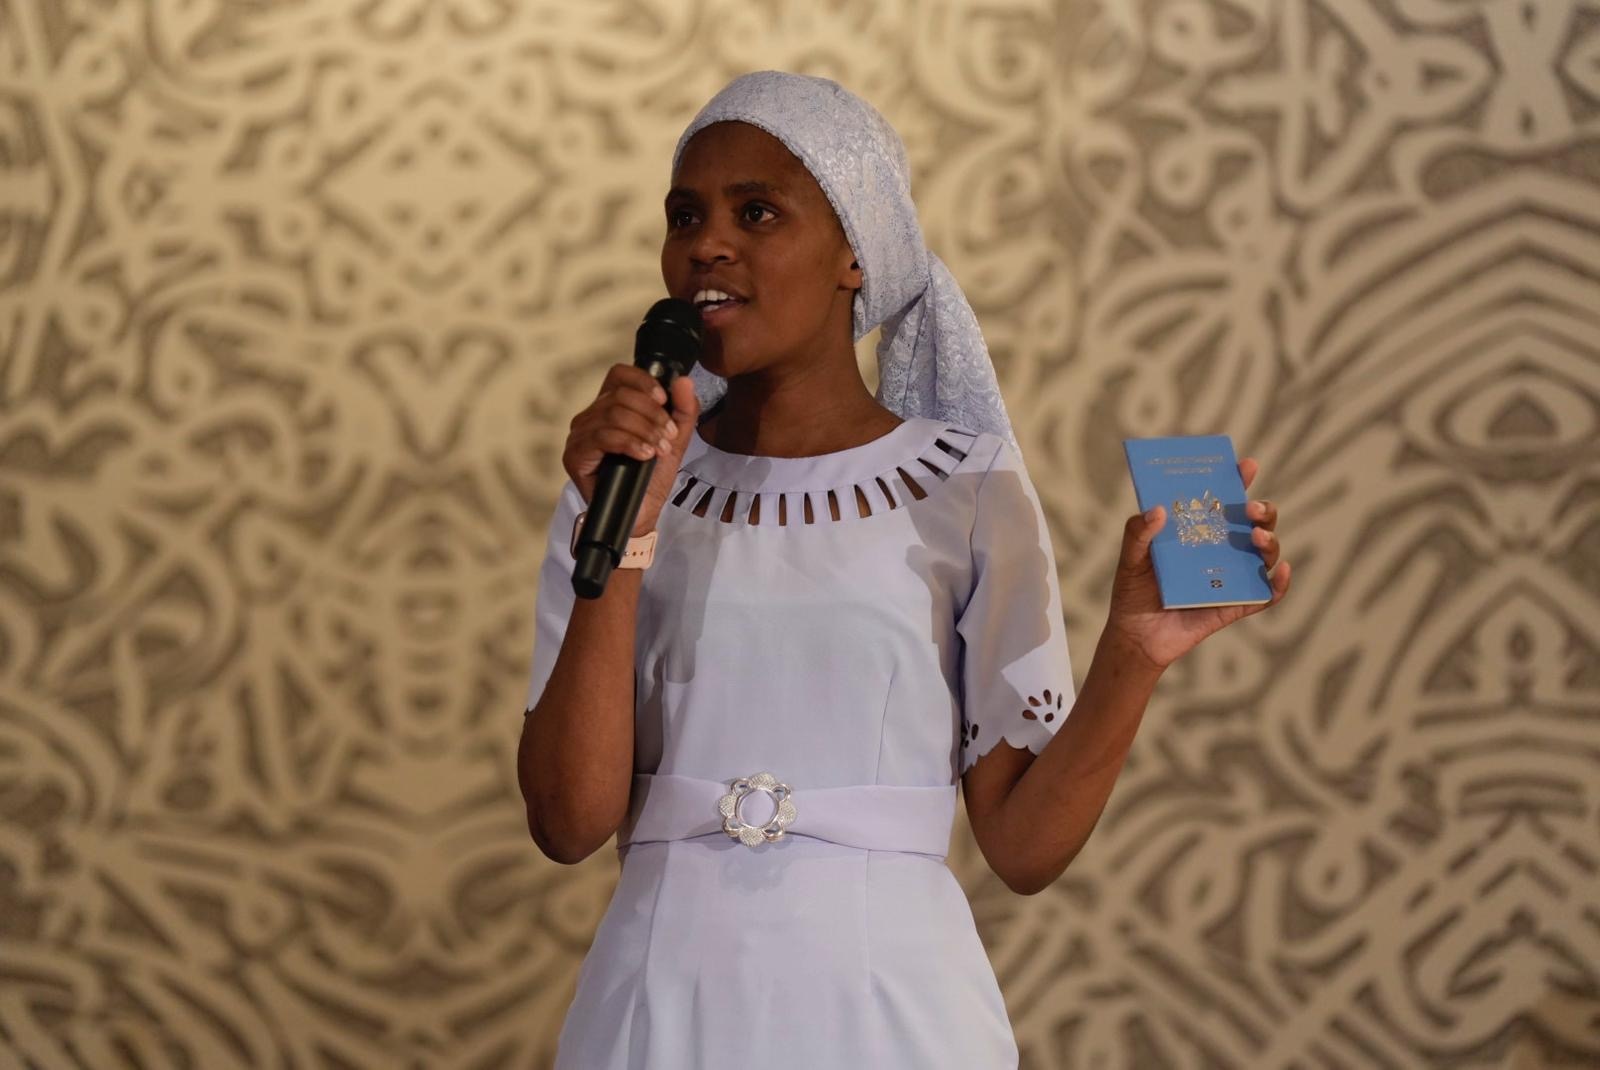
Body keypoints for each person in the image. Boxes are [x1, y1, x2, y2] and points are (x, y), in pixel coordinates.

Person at [516, 70, 1289, 1068]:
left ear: (855, 251)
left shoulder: (964, 483)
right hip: (658, 1001)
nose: (706, 242)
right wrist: (627, 524)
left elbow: (1020, 847)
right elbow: (569, 820)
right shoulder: (613, 482)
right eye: (684, 214)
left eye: (757, 211)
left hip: (895, 1008)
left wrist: (1130, 652)